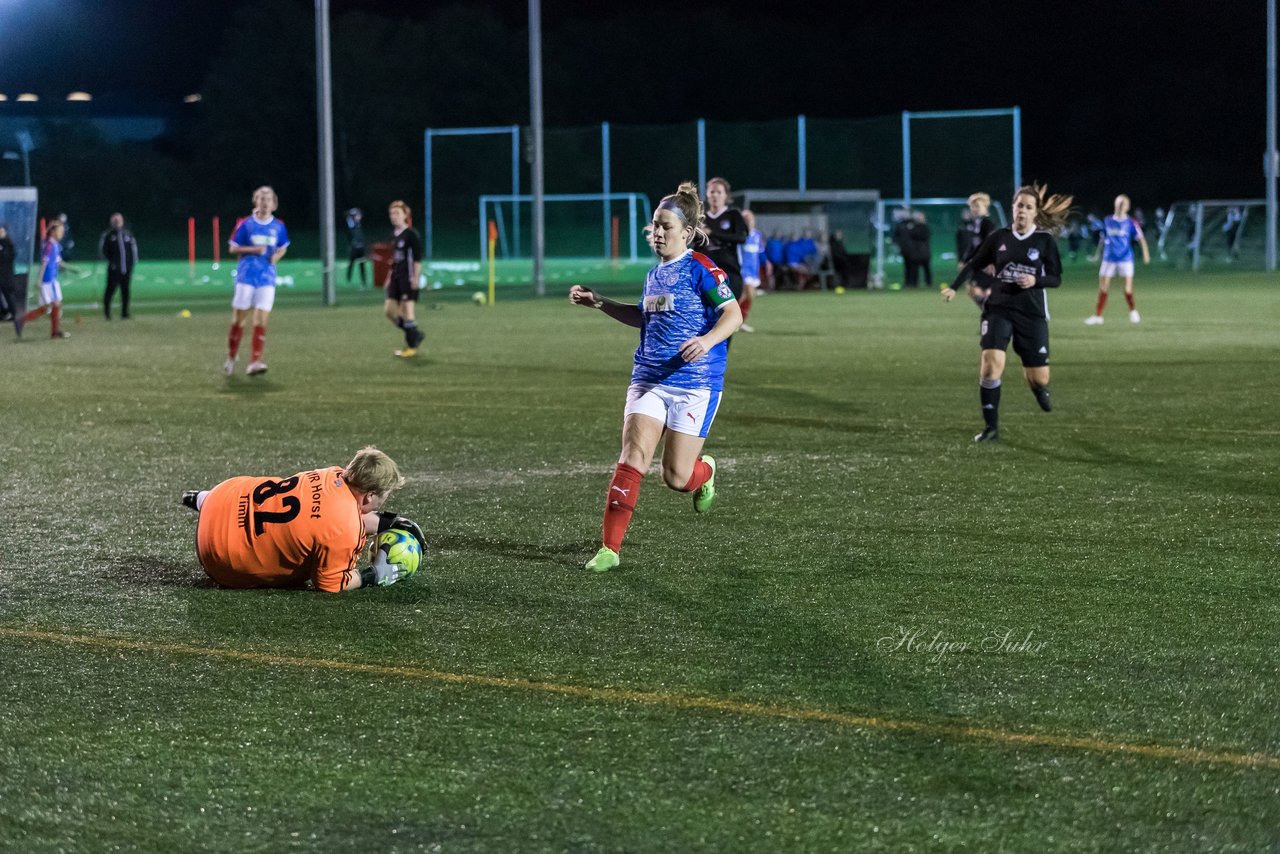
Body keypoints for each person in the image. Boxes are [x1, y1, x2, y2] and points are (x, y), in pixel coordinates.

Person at [568, 181, 743, 572]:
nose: (658, 233)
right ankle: (610, 549)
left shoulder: (703, 269)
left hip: (696, 383)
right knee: (632, 456)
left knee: (677, 478)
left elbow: (734, 315)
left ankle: (706, 471)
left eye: (666, 226)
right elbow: (642, 316)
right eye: (654, 225)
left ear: (687, 232)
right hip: (649, 378)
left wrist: (707, 339)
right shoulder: (653, 275)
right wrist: (599, 302)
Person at [182, 446, 426, 592]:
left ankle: (202, 498)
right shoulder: (346, 529)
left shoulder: (331, 474)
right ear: (370, 495)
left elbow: (331, 517)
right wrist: (374, 574)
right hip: (218, 557)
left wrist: (388, 522)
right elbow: (331, 584)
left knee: (271, 491)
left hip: (222, 496)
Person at [941, 183, 1071, 443]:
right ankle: (991, 428)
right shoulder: (999, 238)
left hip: (1031, 313)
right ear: (1013, 208)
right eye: (1018, 205)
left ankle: (1038, 387)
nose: (1022, 210)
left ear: (1035, 213)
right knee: (990, 367)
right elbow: (974, 263)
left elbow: (1056, 278)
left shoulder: (1043, 241)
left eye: (1028, 207)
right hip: (999, 307)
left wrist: (1036, 281)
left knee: (1039, 376)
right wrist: (954, 288)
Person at [225, 186, 289, 376]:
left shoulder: (279, 226)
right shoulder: (246, 224)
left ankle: (254, 361)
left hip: (267, 278)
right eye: (261, 198)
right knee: (239, 319)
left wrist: (277, 257)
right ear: (255, 201)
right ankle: (231, 356)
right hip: (246, 277)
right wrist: (254, 250)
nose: (264, 201)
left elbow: (283, 247)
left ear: (274, 204)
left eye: (268, 198)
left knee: (261, 320)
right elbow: (233, 248)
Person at [1085, 193, 1149, 325]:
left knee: (1127, 289)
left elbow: (1141, 239)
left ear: (1128, 206)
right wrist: (1097, 254)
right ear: (1115, 204)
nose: (1120, 205)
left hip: (1125, 259)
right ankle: (1098, 316)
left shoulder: (1131, 222)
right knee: (1103, 287)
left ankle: (1133, 311)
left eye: (1123, 203)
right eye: (1119, 203)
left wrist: (1146, 254)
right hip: (1109, 258)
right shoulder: (1108, 220)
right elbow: (1103, 239)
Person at [701, 178, 751, 335]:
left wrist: (712, 233)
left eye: (719, 192)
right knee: (704, 320)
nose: (715, 195)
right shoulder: (701, 218)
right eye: (712, 192)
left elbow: (741, 238)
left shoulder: (733, 215)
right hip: (705, 275)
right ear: (707, 195)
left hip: (729, 274)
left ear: (726, 196)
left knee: (726, 319)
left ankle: (720, 359)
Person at [383, 200, 425, 358]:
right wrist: (388, 276)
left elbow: (417, 259)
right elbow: (394, 259)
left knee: (408, 312)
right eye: (391, 214)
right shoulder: (393, 236)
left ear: (405, 215)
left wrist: (415, 277)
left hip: (408, 278)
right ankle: (415, 334)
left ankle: (411, 346)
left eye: (397, 213)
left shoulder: (411, 235)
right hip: (395, 278)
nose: (393, 217)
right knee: (389, 311)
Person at [955, 193, 995, 305]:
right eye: (972, 207)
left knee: (979, 290)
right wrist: (964, 259)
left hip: (985, 263)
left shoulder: (988, 223)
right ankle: (989, 311)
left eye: (977, 206)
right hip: (979, 262)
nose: (974, 209)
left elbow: (989, 243)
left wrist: (989, 261)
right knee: (973, 290)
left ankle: (992, 312)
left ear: (985, 207)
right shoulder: (976, 223)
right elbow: (973, 245)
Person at [99, 212, 139, 320]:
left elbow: (133, 250)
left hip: (126, 269)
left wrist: (132, 264)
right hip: (114, 269)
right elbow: (103, 251)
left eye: (119, 220)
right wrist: (111, 263)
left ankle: (125, 313)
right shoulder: (108, 235)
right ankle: (107, 314)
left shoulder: (128, 234)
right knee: (110, 291)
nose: (117, 222)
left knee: (125, 291)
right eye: (115, 220)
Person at [36, 220, 71, 339]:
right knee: (50, 308)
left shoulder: (55, 245)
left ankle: (55, 332)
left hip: (53, 280)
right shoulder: (49, 246)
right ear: (53, 232)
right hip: (48, 281)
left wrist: (70, 269)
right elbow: (44, 263)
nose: (62, 233)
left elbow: (58, 262)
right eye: (60, 231)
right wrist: (39, 280)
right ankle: (22, 320)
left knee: (55, 307)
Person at [739, 209, 764, 331]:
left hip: (753, 270)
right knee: (745, 295)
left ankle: (740, 322)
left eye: (749, 219)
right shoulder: (740, 235)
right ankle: (729, 320)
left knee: (749, 296)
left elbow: (758, 253)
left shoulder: (757, 235)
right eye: (745, 219)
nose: (748, 221)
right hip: (743, 270)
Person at [893, 210, 932, 287]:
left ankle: (927, 283)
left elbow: (922, 235)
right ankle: (911, 283)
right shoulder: (905, 225)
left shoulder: (920, 226)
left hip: (922, 251)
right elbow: (897, 236)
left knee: (925, 267)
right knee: (910, 268)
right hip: (911, 251)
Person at [345, 207, 368, 287]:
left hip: (361, 248)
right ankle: (348, 279)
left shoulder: (359, 224)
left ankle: (363, 281)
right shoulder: (352, 224)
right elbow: (348, 218)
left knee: (362, 265)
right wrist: (351, 213)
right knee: (351, 264)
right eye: (357, 215)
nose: (359, 216)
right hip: (354, 248)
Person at [0, 225, 17, 330]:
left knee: (8, 294)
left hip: (6, 274)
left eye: (1, 231)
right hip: (2, 274)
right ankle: (4, 313)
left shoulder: (8, 243)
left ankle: (13, 313)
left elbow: (8, 257)